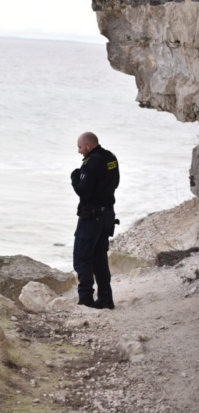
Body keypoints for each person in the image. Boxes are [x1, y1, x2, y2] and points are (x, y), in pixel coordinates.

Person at [71, 132, 120, 309]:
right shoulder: (110, 158)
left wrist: (75, 177)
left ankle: (85, 301)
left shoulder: (91, 163)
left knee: (82, 259)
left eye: (80, 147)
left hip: (91, 218)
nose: (79, 151)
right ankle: (106, 299)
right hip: (107, 215)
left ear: (89, 146)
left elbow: (83, 190)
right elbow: (115, 183)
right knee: (99, 259)